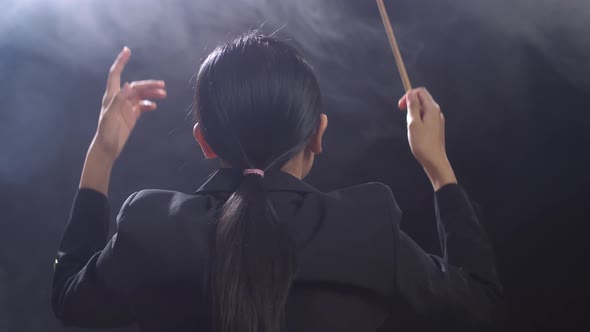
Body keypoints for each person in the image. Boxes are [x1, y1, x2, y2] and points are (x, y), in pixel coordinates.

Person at [52, 33, 502, 332]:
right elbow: (479, 303)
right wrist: (438, 166)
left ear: (204, 141)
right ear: (318, 135)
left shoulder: (152, 227)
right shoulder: (364, 231)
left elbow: (70, 301)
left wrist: (102, 152)